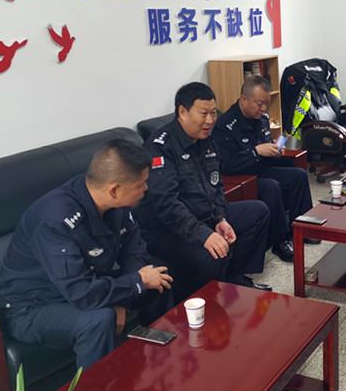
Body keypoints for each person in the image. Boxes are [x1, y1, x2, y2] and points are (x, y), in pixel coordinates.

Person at [0, 139, 173, 370]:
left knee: (159, 277)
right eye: (140, 185)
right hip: (34, 307)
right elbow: (81, 292)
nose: (146, 189)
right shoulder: (55, 220)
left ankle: (159, 363)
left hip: (87, 286)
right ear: (114, 190)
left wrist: (125, 297)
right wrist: (135, 284)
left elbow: (134, 250)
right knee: (99, 319)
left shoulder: (115, 204)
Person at [135, 82, 271, 301]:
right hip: (167, 229)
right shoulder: (160, 148)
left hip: (204, 216)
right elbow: (166, 205)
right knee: (213, 255)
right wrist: (203, 234)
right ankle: (208, 301)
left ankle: (233, 278)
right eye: (203, 114)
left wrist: (220, 218)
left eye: (213, 113)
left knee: (257, 213)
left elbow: (216, 184)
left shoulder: (206, 141)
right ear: (182, 112)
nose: (210, 120)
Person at [214, 75, 315, 263]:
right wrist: (256, 152)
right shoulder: (225, 126)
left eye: (266, 103)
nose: (263, 108)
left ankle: (304, 228)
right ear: (244, 99)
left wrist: (275, 149)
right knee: (272, 186)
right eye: (259, 104)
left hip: (263, 168)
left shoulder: (262, 118)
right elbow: (226, 164)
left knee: (299, 175)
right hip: (243, 177)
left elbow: (265, 144)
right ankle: (279, 241)